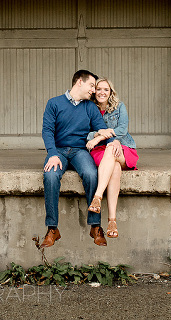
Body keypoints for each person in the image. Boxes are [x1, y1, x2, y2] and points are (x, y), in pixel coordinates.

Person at [40, 69, 116, 248]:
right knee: (50, 176)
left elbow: (101, 128)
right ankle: (52, 228)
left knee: (91, 174)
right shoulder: (54, 103)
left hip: (80, 151)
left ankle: (95, 226)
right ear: (79, 82)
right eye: (91, 85)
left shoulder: (90, 107)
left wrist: (114, 142)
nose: (94, 90)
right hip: (58, 151)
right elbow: (47, 131)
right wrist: (51, 153)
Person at [85, 77, 139, 239]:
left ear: (110, 92)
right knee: (114, 167)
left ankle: (97, 197)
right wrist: (96, 135)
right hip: (101, 151)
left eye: (106, 89)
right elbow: (83, 132)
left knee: (111, 148)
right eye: (99, 89)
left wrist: (100, 138)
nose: (102, 92)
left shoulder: (119, 106)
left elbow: (122, 128)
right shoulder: (88, 108)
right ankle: (112, 221)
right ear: (94, 91)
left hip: (122, 147)